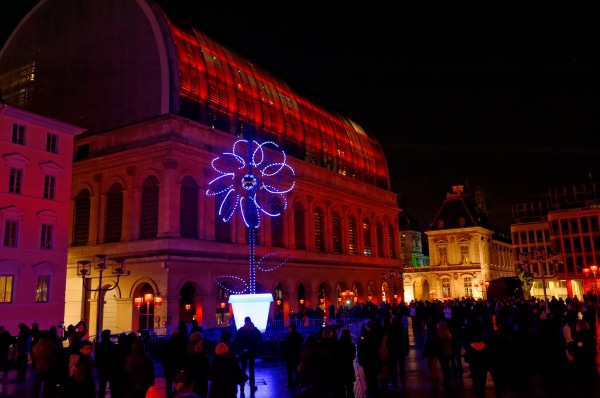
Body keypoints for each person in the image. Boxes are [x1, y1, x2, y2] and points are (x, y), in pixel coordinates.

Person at [234, 316, 263, 393]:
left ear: (244, 321)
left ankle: (242, 385)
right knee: (251, 369)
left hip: (243, 352)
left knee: (243, 369)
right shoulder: (255, 330)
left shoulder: (241, 330)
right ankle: (252, 386)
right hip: (252, 352)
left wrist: (238, 350)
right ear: (250, 321)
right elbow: (260, 339)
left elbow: (236, 341)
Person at [357, 320, 382, 398]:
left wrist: (360, 360)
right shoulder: (376, 335)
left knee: (368, 376)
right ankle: (376, 390)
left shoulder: (363, 337)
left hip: (366, 360)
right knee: (375, 376)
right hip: (375, 358)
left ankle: (370, 390)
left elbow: (360, 349)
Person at [31, 329, 58, 398]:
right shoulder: (52, 345)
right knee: (47, 386)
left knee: (37, 385)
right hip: (49, 368)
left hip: (38, 367)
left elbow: (33, 357)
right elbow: (55, 357)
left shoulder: (35, 345)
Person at [160, 328, 187, 398]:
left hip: (168, 365)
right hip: (178, 365)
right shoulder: (181, 343)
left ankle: (169, 395)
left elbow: (162, 354)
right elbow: (183, 355)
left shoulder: (167, 342)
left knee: (168, 381)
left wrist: (164, 364)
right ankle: (176, 394)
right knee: (178, 381)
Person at [386, 315, 409, 390]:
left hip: (393, 351)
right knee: (402, 366)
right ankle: (403, 381)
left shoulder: (391, 329)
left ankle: (394, 382)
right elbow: (406, 341)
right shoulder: (402, 330)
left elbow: (388, 341)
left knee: (393, 367)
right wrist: (406, 350)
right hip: (401, 351)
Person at [95, 329, 116, 398]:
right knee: (112, 385)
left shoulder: (99, 346)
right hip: (110, 367)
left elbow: (97, 357)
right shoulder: (112, 345)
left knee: (102, 386)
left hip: (102, 368)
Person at [336, 328, 357, 398]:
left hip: (340, 369)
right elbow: (353, 356)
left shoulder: (338, 345)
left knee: (341, 389)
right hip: (349, 368)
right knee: (350, 388)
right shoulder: (351, 345)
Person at [283, 324, 303, 388]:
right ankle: (297, 382)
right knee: (296, 369)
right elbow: (301, 343)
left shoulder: (288, 336)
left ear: (291, 328)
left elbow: (285, 345)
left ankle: (290, 383)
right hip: (296, 354)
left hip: (289, 355)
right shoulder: (299, 336)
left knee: (289, 371)